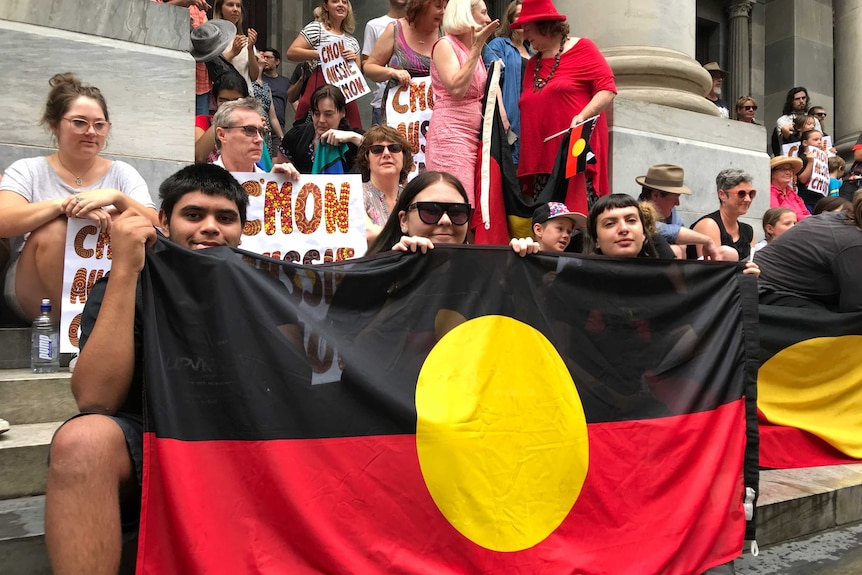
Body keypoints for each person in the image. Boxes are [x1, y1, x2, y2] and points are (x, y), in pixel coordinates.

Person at [44, 163, 250, 574]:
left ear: (242, 230)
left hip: (241, 446)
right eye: (193, 215)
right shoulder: (125, 281)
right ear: (163, 222)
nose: (210, 227)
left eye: (225, 218)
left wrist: (407, 272)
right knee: (84, 440)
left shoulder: (263, 288)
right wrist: (125, 270)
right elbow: (95, 399)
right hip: (152, 440)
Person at [0, 73, 157, 322]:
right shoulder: (28, 169)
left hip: (105, 277)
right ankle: (82, 331)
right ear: (55, 125)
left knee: (125, 218)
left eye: (99, 124)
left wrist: (117, 198)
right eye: (80, 122)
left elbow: (158, 226)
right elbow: (4, 220)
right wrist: (64, 206)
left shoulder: (122, 173)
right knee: (55, 231)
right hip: (35, 284)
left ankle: (100, 326)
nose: (91, 132)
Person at [513, 0, 616, 215]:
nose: (525, 36)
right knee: (549, 221)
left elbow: (606, 89)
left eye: (529, 29)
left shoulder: (583, 48)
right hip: (541, 159)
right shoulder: (533, 63)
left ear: (545, 26)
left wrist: (582, 115)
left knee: (578, 217)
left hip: (574, 153)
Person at [425, 0, 497, 207]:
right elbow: (457, 89)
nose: (488, 19)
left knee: (470, 203)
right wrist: (477, 48)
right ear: (466, 14)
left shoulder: (469, 50)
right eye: (483, 12)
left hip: (472, 137)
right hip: (451, 135)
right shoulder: (445, 45)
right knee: (455, 201)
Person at [368, 170, 538, 255]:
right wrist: (393, 270)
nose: (445, 220)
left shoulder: (486, 278)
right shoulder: (371, 276)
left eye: (457, 212)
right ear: (403, 220)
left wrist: (525, 271)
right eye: (430, 210)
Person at [755, 193, 862, 312]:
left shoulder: (840, 220)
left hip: (767, 284)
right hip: (767, 290)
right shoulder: (853, 241)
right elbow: (856, 305)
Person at [363, 0, 444, 123]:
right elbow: (369, 67)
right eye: (438, 7)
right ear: (422, 5)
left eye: (445, 7)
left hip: (437, 116)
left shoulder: (445, 31)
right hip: (400, 118)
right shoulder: (395, 29)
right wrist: (391, 72)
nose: (443, 12)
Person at [287, 0, 363, 129]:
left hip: (346, 88)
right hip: (320, 81)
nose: (341, 5)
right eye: (335, 1)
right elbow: (292, 52)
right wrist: (321, 53)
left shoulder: (353, 41)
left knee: (352, 129)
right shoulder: (316, 28)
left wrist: (353, 60)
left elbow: (359, 75)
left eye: (344, 2)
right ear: (326, 6)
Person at [635, 164, 732, 260]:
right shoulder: (635, 214)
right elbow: (668, 231)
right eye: (675, 198)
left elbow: (682, 243)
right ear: (655, 195)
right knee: (675, 250)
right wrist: (707, 240)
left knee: (727, 253)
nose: (677, 203)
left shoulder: (670, 211)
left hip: (675, 269)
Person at [483, 0, 531, 166]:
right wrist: (502, 113)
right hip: (509, 114)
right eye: (518, 15)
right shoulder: (499, 44)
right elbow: (492, 79)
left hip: (528, 117)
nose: (523, 20)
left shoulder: (531, 51)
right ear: (510, 21)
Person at [276, 85, 363, 174]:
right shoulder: (296, 136)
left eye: (328, 114)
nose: (321, 120)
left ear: (342, 112)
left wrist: (353, 137)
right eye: (316, 114)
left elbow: (375, 149)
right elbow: (280, 176)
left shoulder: (353, 139)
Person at [355, 124, 415, 246]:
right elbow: (367, 233)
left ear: (404, 157)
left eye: (394, 148)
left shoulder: (413, 196)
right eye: (377, 149)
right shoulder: (354, 192)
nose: (386, 153)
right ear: (366, 159)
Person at [213, 98, 300, 178]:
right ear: (222, 135)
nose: (260, 139)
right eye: (249, 130)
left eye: (261, 132)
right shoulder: (202, 183)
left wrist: (271, 188)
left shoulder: (268, 183)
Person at [152, 0, 213, 115]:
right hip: (167, 81)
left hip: (199, 84)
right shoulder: (155, 2)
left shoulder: (197, 10)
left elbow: (208, 40)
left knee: (200, 127)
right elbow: (154, 15)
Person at [691, 168, 756, 261]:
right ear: (722, 195)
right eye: (741, 194)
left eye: (751, 194)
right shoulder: (709, 225)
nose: (748, 199)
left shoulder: (748, 231)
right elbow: (713, 270)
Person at [362, 0, 409, 126]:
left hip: (417, 103)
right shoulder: (374, 25)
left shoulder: (421, 26)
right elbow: (367, 64)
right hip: (383, 101)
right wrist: (390, 71)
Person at [194, 70, 249, 164]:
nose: (230, 106)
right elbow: (199, 157)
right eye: (223, 101)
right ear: (214, 101)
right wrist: (221, 120)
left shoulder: (250, 124)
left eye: (236, 101)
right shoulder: (203, 121)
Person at [213, 0, 259, 94]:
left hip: (244, 96)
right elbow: (214, 69)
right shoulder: (213, 38)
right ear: (220, 9)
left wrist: (250, 48)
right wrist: (233, 53)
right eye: (230, 5)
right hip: (223, 96)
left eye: (238, 6)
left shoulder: (245, 41)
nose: (235, 9)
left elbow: (254, 76)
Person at [795, 128, 830, 209]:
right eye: (815, 139)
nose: (819, 142)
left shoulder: (822, 159)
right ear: (805, 143)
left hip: (820, 199)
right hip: (807, 200)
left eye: (820, 139)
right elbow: (802, 179)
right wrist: (811, 162)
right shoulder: (802, 159)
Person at [259, 48, 291, 131]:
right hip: (262, 124)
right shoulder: (259, 79)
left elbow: (294, 101)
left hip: (279, 126)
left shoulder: (285, 81)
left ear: (277, 61)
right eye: (264, 57)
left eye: (269, 57)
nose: (265, 60)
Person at [769, 155, 809, 221]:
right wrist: (803, 218)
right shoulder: (770, 192)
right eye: (783, 169)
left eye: (790, 169)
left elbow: (806, 213)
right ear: (772, 173)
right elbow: (776, 216)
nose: (788, 172)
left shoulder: (793, 193)